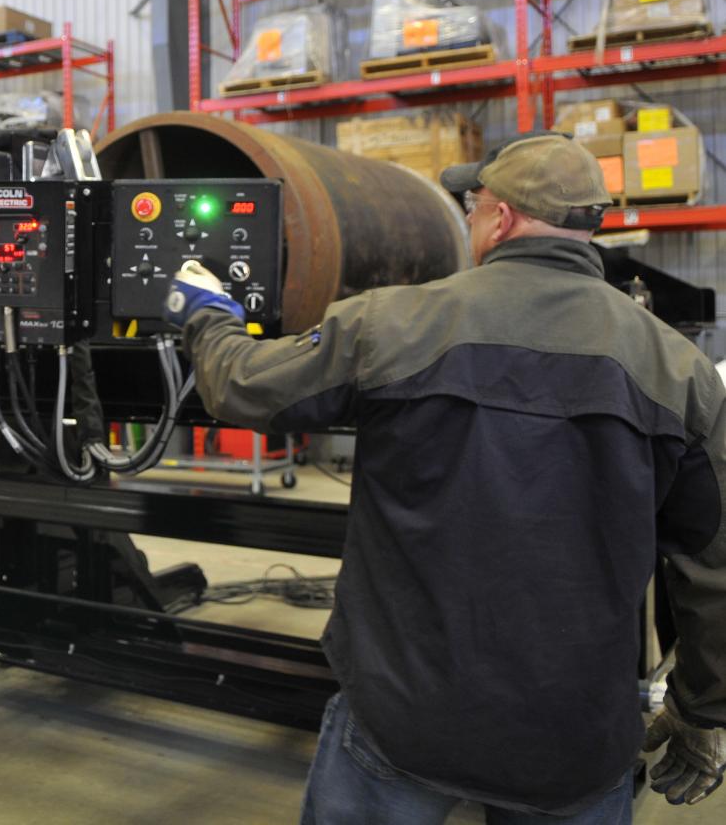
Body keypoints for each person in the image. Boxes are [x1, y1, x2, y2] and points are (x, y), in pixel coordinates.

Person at [164, 133, 725, 823]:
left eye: (471, 205)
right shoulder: (680, 371)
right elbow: (710, 565)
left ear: (501, 216)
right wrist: (702, 710)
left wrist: (208, 317)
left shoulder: (393, 321)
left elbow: (246, 390)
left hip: (404, 712)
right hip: (574, 733)